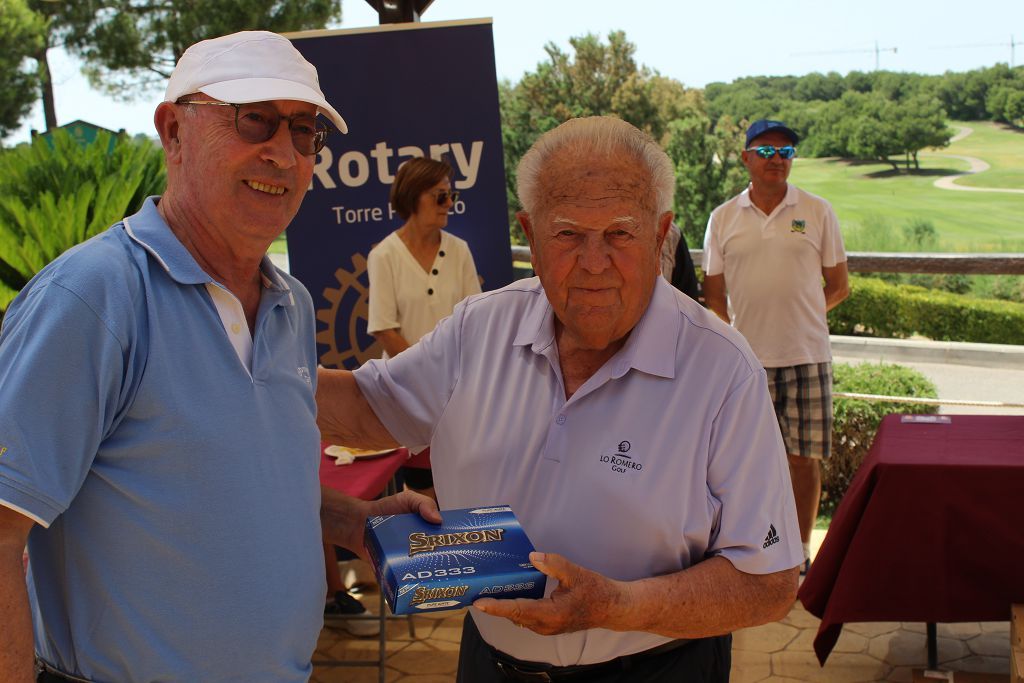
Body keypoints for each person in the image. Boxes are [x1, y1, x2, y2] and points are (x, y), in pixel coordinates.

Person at [0, 31, 439, 683]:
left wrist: (355, 521)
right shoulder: (93, 298)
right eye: (254, 119)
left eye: (304, 131)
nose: (283, 154)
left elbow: (233, 488)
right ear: (172, 132)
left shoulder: (288, 304)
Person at [316, 116, 803, 682]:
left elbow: (768, 584)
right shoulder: (481, 328)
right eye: (568, 234)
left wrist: (620, 606)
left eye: (620, 233)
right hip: (491, 665)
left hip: (658, 670)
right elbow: (365, 411)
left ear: (661, 233)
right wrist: (244, 374)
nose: (594, 263)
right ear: (529, 231)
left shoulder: (722, 368)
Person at [702, 119, 850, 575]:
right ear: (745, 158)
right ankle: (752, 549)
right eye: (765, 152)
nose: (777, 160)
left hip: (808, 356)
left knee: (803, 461)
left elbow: (840, 285)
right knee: (745, 463)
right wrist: (739, 339)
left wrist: (802, 316)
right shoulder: (723, 218)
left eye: (785, 152)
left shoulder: (818, 211)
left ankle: (799, 552)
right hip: (747, 363)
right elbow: (712, 297)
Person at [367, 155, 481, 498]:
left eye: (451, 196)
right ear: (413, 196)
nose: (449, 204)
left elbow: (474, 320)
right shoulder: (384, 255)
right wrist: (428, 374)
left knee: (467, 491)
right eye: (440, 195)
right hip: (410, 396)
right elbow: (384, 329)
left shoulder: (459, 251)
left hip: (460, 396)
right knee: (424, 496)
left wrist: (453, 379)